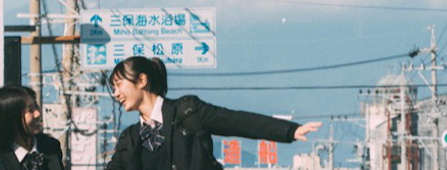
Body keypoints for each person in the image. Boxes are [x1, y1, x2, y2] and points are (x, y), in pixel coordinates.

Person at [106, 56, 322, 170]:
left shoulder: (187, 111)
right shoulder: (130, 138)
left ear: (142, 81)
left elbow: (236, 121)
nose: (115, 93)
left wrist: (289, 131)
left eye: (118, 84)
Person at [0, 85, 64, 170]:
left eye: (36, 106)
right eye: (30, 110)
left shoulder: (51, 147)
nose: (38, 114)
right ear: (12, 118)